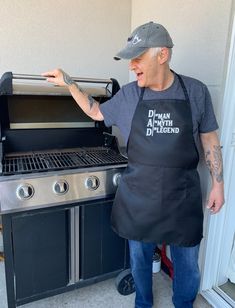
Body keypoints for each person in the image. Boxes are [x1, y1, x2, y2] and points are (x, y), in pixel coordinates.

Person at [42, 21, 225, 308]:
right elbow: (96, 111)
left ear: (162, 55)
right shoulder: (129, 95)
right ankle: (143, 302)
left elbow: (209, 138)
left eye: (138, 58)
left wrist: (218, 184)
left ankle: (184, 304)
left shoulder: (196, 92)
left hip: (182, 198)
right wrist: (70, 83)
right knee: (139, 260)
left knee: (187, 265)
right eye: (131, 59)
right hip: (139, 198)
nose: (132, 66)